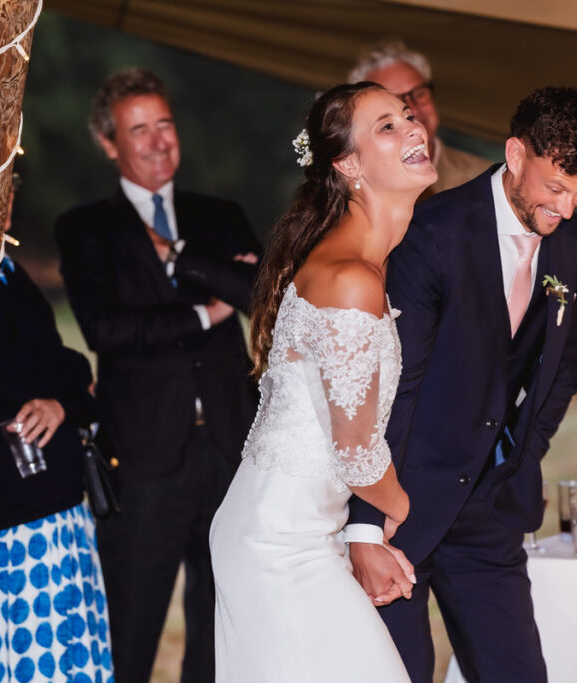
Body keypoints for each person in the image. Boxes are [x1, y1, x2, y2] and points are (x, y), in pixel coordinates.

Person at [347, 86, 577, 682]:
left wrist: (519, 457)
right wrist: (366, 522)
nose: (567, 210)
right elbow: (396, 384)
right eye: (556, 188)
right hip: (403, 506)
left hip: (491, 509)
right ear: (516, 155)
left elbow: (561, 369)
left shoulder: (574, 243)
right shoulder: (432, 231)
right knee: (402, 673)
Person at [208, 81, 436, 681]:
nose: (414, 128)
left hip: (304, 531)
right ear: (349, 164)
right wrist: (399, 507)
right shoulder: (350, 277)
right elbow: (358, 451)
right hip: (278, 545)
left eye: (409, 116)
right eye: (388, 125)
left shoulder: (360, 265)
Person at [55, 68, 261, 683]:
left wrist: (179, 257)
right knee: (133, 626)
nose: (156, 141)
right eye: (137, 129)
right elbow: (106, 330)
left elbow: (260, 293)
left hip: (230, 447)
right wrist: (204, 308)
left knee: (221, 620)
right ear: (109, 144)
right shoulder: (86, 228)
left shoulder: (217, 215)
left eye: (164, 124)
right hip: (144, 459)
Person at [0, 149, 115, 682]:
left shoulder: (7, 271)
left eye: (6, 194)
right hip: (4, 516)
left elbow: (67, 367)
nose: (1, 209)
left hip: (55, 503)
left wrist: (64, 398)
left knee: (71, 655)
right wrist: (63, 389)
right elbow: (19, 375)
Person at [349, 40, 490, 200]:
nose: (413, 111)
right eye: (394, 102)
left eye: (419, 94)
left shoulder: (483, 177)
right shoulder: (354, 193)